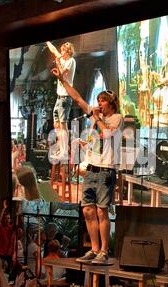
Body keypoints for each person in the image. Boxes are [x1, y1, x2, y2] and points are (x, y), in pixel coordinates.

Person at [51, 67, 123, 265]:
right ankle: (94, 249)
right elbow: (77, 99)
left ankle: (104, 251)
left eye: (103, 101)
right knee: (87, 211)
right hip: (91, 169)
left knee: (101, 211)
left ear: (111, 103)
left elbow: (107, 134)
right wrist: (62, 81)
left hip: (105, 172)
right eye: (98, 100)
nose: (99, 104)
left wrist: (96, 117)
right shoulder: (94, 117)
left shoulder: (116, 118)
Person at [46, 41, 76, 159]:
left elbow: (62, 75)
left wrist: (58, 64)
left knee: (63, 124)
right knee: (57, 124)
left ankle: (64, 151)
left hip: (65, 97)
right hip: (59, 97)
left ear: (68, 52)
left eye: (64, 51)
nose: (61, 52)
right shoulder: (62, 59)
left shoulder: (70, 61)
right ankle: (61, 147)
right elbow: (53, 50)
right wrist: (47, 42)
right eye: (61, 50)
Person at [152, 44, 168, 136]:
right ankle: (162, 127)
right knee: (154, 96)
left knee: (165, 111)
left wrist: (159, 80)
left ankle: (167, 132)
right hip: (166, 88)